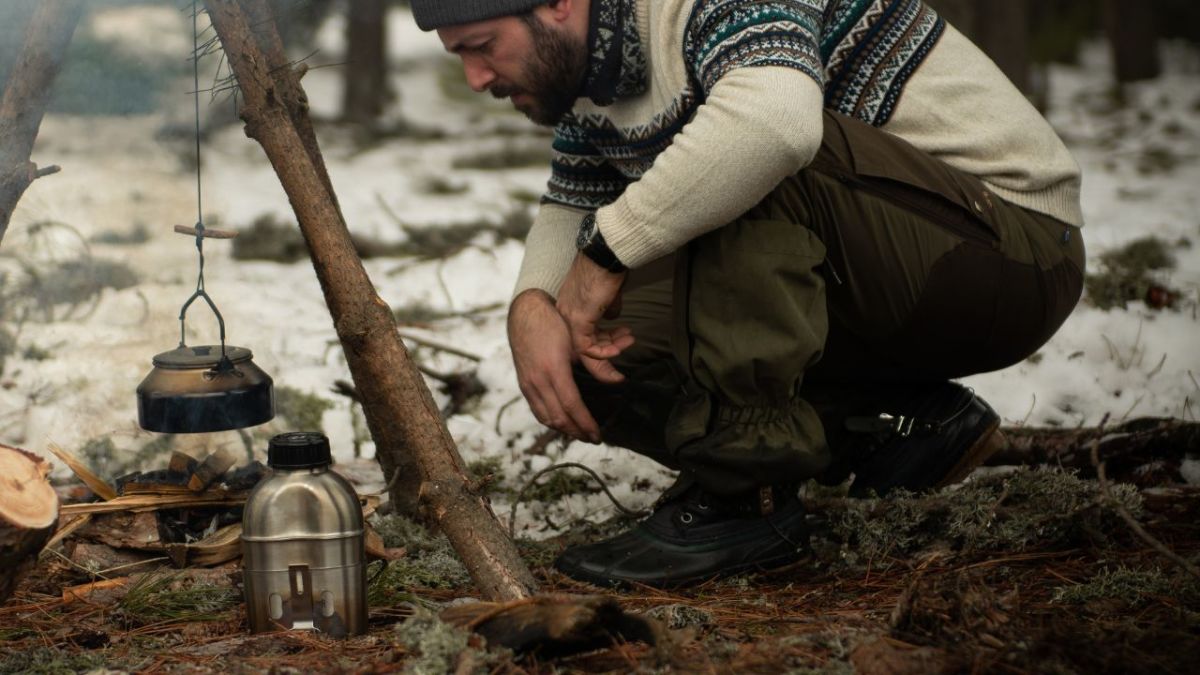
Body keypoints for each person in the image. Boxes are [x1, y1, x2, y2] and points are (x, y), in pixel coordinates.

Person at [410, 0, 1085, 588]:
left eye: (482, 46)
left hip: (1009, 252)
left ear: (557, 3)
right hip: (878, 278)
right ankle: (899, 425)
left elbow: (777, 127)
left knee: (741, 146)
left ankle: (745, 495)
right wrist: (534, 306)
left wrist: (605, 251)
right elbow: (573, 200)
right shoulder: (594, 71)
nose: (474, 79)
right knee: (587, 356)